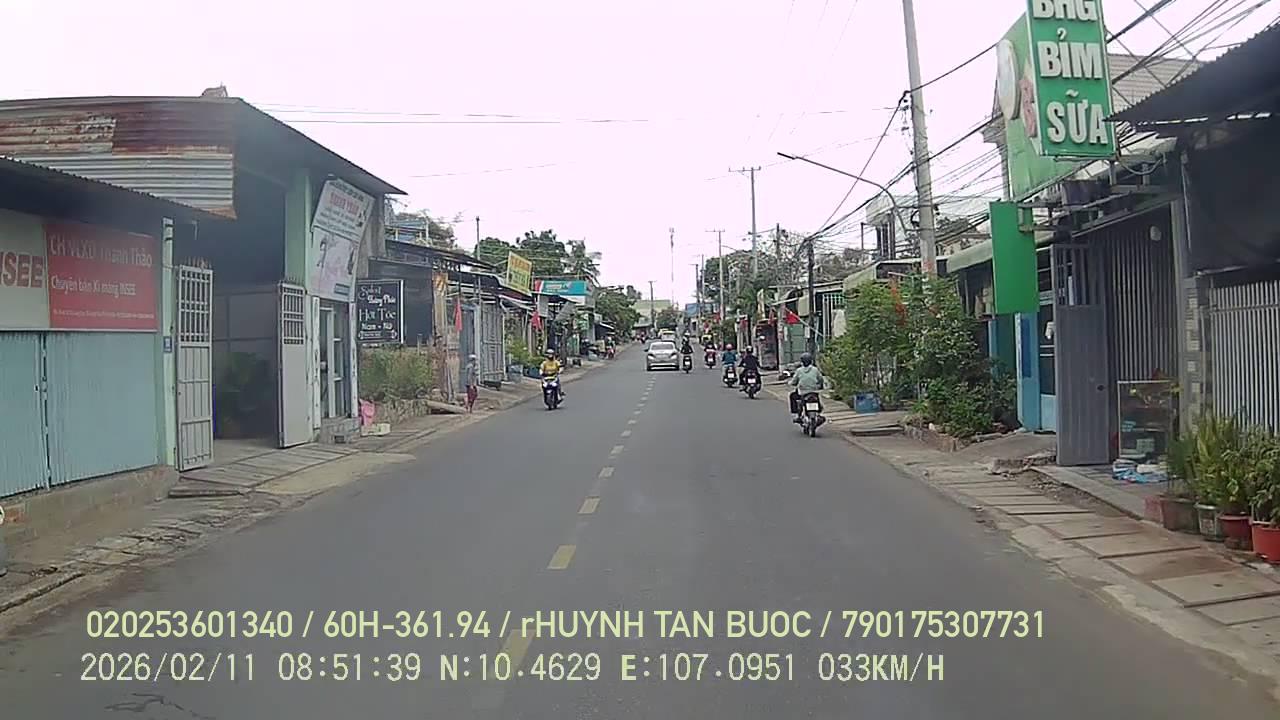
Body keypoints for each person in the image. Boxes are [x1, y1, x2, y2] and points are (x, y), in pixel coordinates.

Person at [789, 352, 825, 422]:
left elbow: (794, 382)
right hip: (814, 392)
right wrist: (820, 385)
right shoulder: (815, 369)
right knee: (818, 401)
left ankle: (797, 415)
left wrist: (790, 383)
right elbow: (820, 379)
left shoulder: (799, 370)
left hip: (803, 393)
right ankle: (818, 413)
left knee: (793, 396)